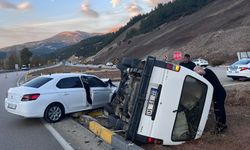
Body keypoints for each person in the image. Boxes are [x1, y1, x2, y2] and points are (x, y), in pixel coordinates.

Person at [194, 66, 227, 133]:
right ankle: (221, 124)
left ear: (199, 69)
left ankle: (221, 126)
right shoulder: (204, 76)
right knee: (217, 110)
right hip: (216, 94)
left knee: (219, 110)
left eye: (196, 71)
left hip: (220, 93)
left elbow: (201, 72)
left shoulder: (207, 71)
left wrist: (194, 73)